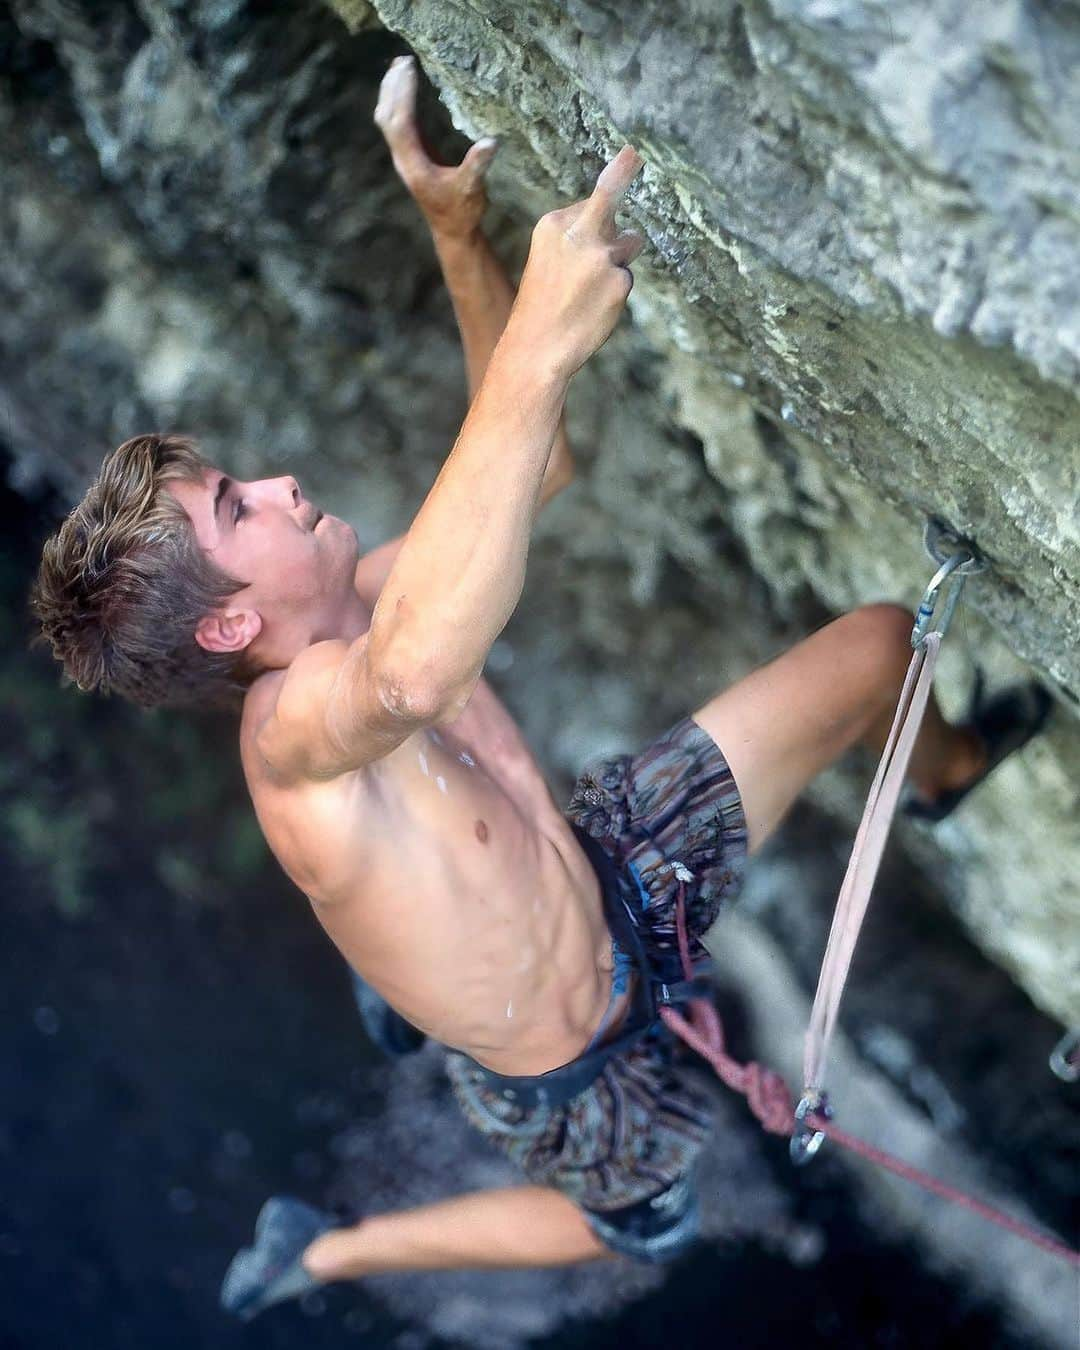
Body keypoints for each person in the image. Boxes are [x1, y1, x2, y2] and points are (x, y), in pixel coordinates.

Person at [32, 54, 1052, 1320]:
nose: (287, 484)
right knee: (636, 1233)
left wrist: (459, 236)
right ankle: (326, 1249)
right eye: (245, 506)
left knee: (883, 643)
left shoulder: (364, 601)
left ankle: (943, 780)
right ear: (235, 618)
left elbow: (538, 462)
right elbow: (408, 680)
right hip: (572, 1060)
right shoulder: (292, 734)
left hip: (608, 862)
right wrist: (538, 344)